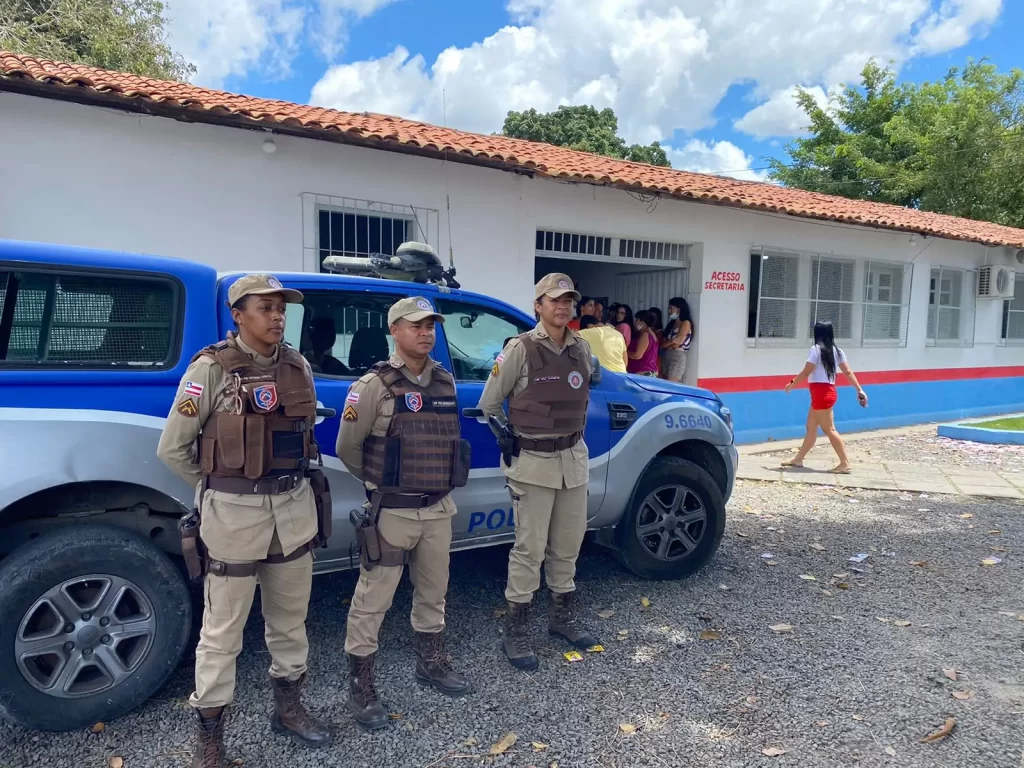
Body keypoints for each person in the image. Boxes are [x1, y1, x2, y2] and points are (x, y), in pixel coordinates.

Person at [156, 274, 332, 768]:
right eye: (265, 307)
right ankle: (210, 738)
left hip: (293, 512)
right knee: (222, 632)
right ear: (238, 314)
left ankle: (289, 709)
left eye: (281, 308)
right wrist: (222, 484)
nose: (277, 316)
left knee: (291, 622)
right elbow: (174, 448)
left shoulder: (297, 366)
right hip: (234, 518)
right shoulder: (210, 368)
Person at [337, 296, 472, 731]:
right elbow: (348, 449)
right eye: (416, 326)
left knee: (434, 592)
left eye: (430, 325)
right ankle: (362, 685)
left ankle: (430, 663)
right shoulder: (373, 385)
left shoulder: (445, 382)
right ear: (394, 330)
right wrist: (381, 486)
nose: (426, 332)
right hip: (393, 511)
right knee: (373, 599)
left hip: (437, 508)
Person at [478, 273, 599, 670]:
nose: (562, 307)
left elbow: (591, 381)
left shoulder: (582, 349)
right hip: (533, 465)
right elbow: (489, 405)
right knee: (529, 550)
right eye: (553, 300)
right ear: (538, 306)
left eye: (568, 300)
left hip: (573, 462)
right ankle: (517, 631)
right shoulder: (521, 349)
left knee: (567, 546)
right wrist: (509, 440)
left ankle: (561, 619)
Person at [782, 320, 868, 474]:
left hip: (821, 395)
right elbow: (848, 372)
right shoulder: (838, 351)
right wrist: (859, 390)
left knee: (829, 429)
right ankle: (799, 459)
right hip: (825, 393)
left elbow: (807, 371)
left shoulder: (815, 349)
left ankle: (845, 463)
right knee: (811, 428)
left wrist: (792, 383)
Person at [661, 297, 692, 383]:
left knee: (670, 384)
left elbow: (677, 344)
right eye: (669, 308)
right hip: (667, 355)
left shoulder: (686, 323)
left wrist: (671, 342)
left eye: (672, 308)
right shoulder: (671, 324)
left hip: (677, 356)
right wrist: (673, 340)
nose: (669, 311)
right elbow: (662, 344)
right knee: (663, 383)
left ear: (679, 309)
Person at [627, 311, 660, 376]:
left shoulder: (645, 335)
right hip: (649, 371)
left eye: (637, 320)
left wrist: (625, 352)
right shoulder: (652, 335)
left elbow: (637, 355)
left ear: (642, 322)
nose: (635, 323)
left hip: (644, 372)